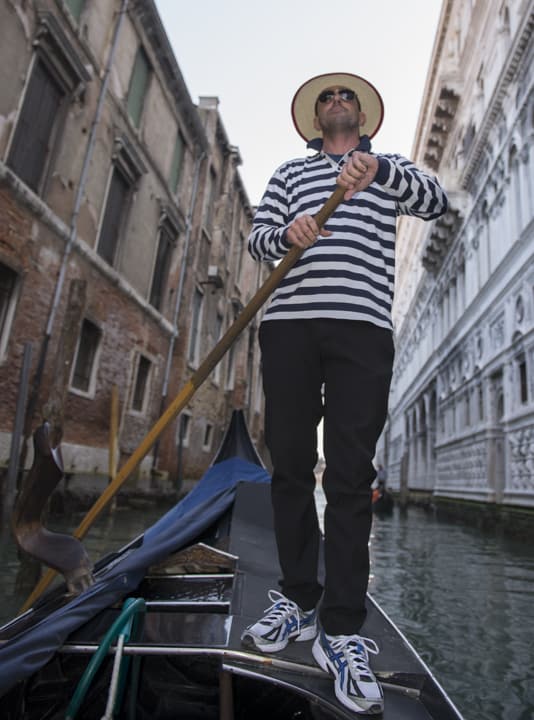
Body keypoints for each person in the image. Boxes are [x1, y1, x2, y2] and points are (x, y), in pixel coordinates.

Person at [241, 72, 448, 715]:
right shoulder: (287, 176)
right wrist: (290, 234)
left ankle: (342, 629)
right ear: (314, 120)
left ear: (364, 117)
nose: (337, 102)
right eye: (327, 98)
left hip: (363, 329)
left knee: (353, 474)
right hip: (290, 327)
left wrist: (378, 171)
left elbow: (435, 200)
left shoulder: (387, 170)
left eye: (347, 97)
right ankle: (299, 599)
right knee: (291, 466)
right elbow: (257, 239)